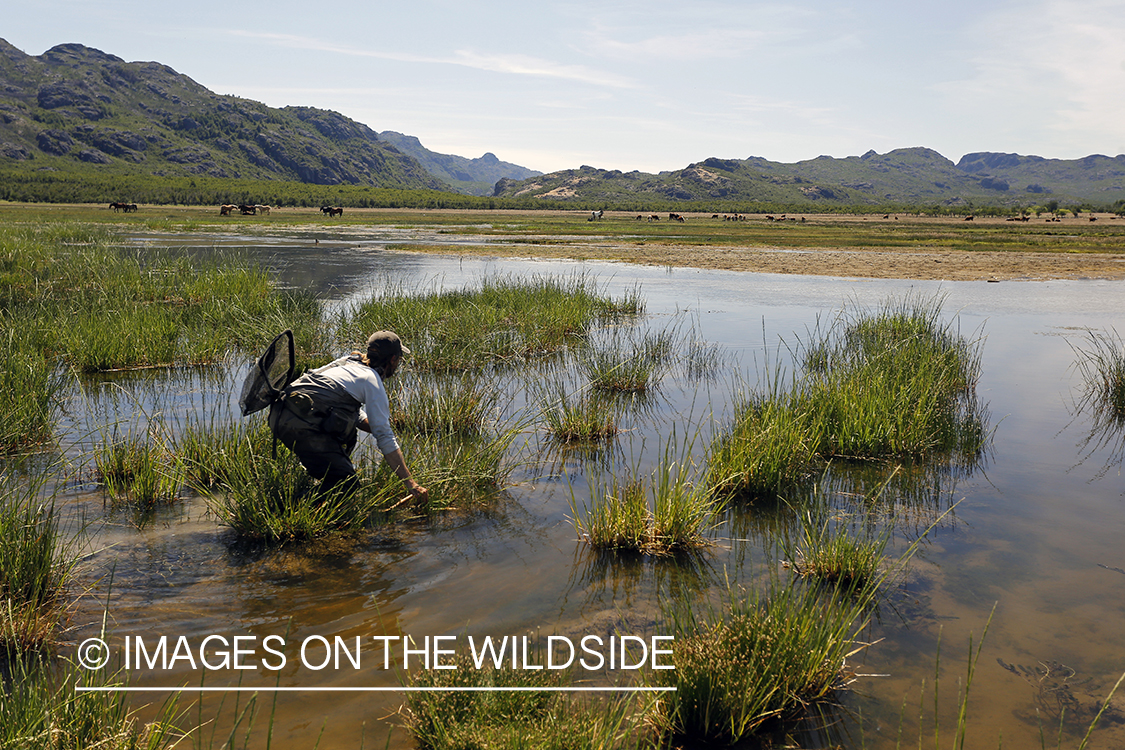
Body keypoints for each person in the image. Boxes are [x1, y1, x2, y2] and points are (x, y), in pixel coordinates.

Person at [268, 331, 428, 502]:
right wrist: (411, 484)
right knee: (346, 484)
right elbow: (385, 438)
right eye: (399, 360)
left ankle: (321, 480)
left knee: (339, 462)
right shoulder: (371, 379)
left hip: (279, 416)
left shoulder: (345, 363)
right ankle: (289, 507)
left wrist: (375, 424)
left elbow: (338, 403)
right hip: (305, 425)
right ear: (393, 359)